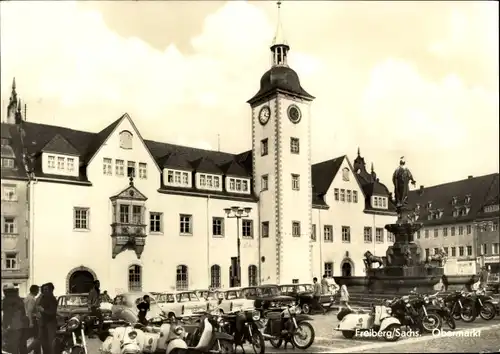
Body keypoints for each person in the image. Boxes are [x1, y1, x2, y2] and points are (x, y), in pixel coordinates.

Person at [2, 283, 29, 354]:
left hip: (14, 327)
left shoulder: (7, 300)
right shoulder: (18, 298)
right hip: (23, 325)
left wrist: (6, 327)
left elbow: (8, 315)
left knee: (12, 348)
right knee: (22, 346)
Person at [38, 282, 58, 354]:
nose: (45, 291)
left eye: (46, 289)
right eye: (43, 290)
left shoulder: (52, 299)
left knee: (51, 342)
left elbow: (52, 311)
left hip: (50, 323)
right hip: (43, 323)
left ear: (51, 290)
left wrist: (43, 310)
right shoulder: (42, 298)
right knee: (44, 342)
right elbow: (37, 305)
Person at [24, 285, 41, 354]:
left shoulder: (27, 297)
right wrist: (31, 322)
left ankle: (37, 352)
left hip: (27, 319)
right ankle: (26, 351)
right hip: (31, 319)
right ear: (35, 291)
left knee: (35, 336)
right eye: (37, 290)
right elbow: (29, 311)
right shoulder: (31, 299)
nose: (38, 292)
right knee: (38, 337)